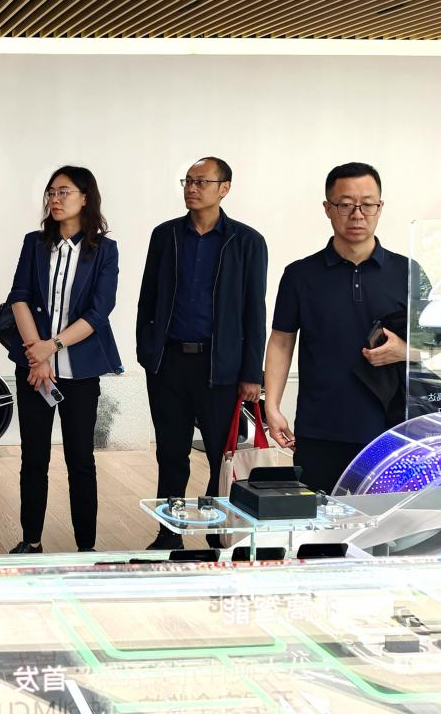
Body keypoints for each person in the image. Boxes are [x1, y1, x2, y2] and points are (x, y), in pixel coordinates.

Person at [264, 162, 441, 492]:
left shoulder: (407, 271)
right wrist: (272, 406)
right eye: (345, 204)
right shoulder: (300, 274)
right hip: (320, 427)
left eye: (368, 204)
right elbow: (282, 341)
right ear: (328, 208)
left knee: (387, 518)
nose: (357, 215)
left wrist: (404, 351)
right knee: (318, 518)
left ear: (380, 208)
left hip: (392, 429)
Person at [136, 157, 268, 550]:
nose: (192, 189)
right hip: (169, 363)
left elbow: (255, 311)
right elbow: (148, 299)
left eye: (201, 182)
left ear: (224, 188)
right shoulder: (165, 236)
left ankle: (216, 533)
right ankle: (169, 533)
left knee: (220, 456)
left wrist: (252, 373)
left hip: (220, 367)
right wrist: (147, 351)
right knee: (170, 453)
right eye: (188, 181)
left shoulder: (247, 241)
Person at [3, 166, 122, 555]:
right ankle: (31, 540)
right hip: (34, 369)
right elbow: (19, 297)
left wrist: (50, 346)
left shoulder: (104, 251)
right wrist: (36, 354)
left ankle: (86, 548)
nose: (55, 199)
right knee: (33, 458)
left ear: (85, 198)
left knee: (80, 459)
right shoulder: (34, 243)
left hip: (80, 370)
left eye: (64, 192)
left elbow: (99, 312)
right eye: (51, 193)